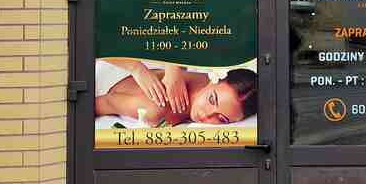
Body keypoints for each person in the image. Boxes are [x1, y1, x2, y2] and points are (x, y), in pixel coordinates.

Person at [95, 57, 257, 126]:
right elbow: (98, 104)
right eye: (211, 100)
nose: (206, 115)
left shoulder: (211, 82)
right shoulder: (155, 108)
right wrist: (136, 68)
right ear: (214, 79)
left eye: (221, 119)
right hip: (103, 73)